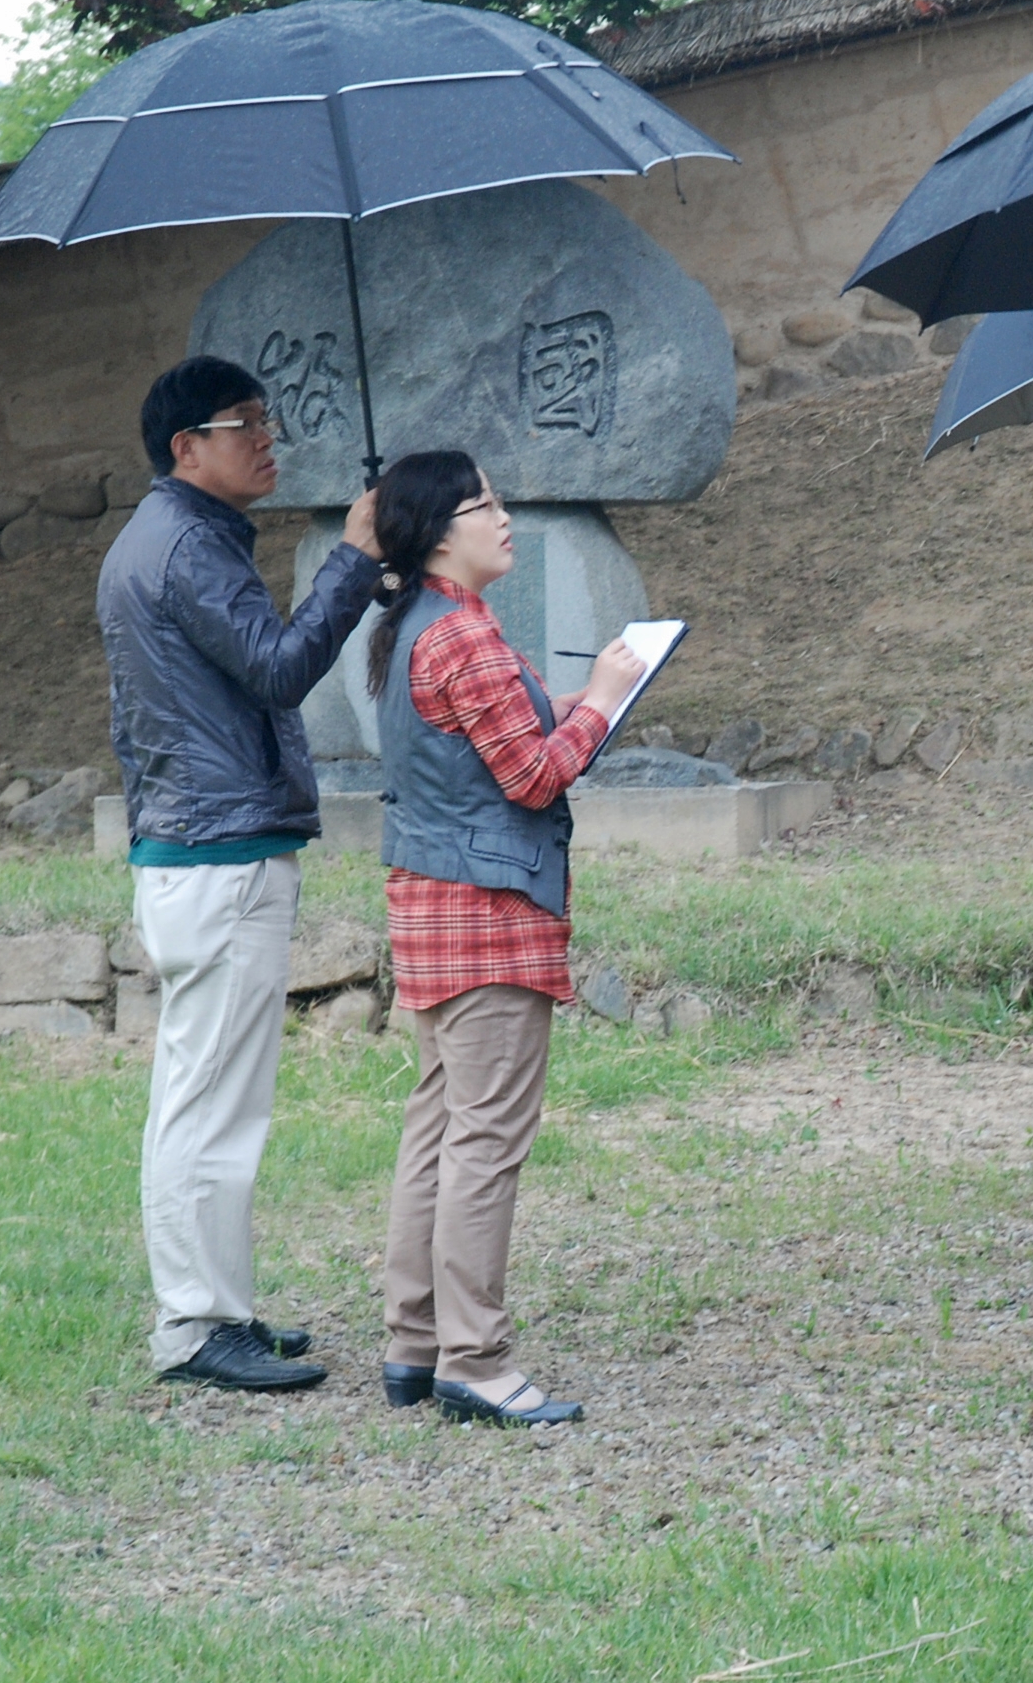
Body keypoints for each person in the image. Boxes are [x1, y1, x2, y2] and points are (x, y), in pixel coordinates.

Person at [99, 355, 383, 1391]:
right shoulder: (185, 547)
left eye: (268, 419)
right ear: (187, 448)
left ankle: (221, 1311)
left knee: (210, 1099)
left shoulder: (172, 538)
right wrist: (354, 559)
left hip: (203, 852)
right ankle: (195, 1330)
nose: (267, 438)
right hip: (217, 861)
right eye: (244, 424)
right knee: (208, 1107)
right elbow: (278, 668)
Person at [364, 450, 647, 1428]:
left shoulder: (416, 628)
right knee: (483, 1143)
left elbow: (490, 750)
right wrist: (607, 696)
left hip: (433, 911)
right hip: (490, 919)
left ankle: (414, 1342)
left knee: (440, 1129)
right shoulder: (465, 638)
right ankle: (474, 1361)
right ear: (441, 530)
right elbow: (531, 777)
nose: (504, 517)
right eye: (484, 503)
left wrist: (581, 706)